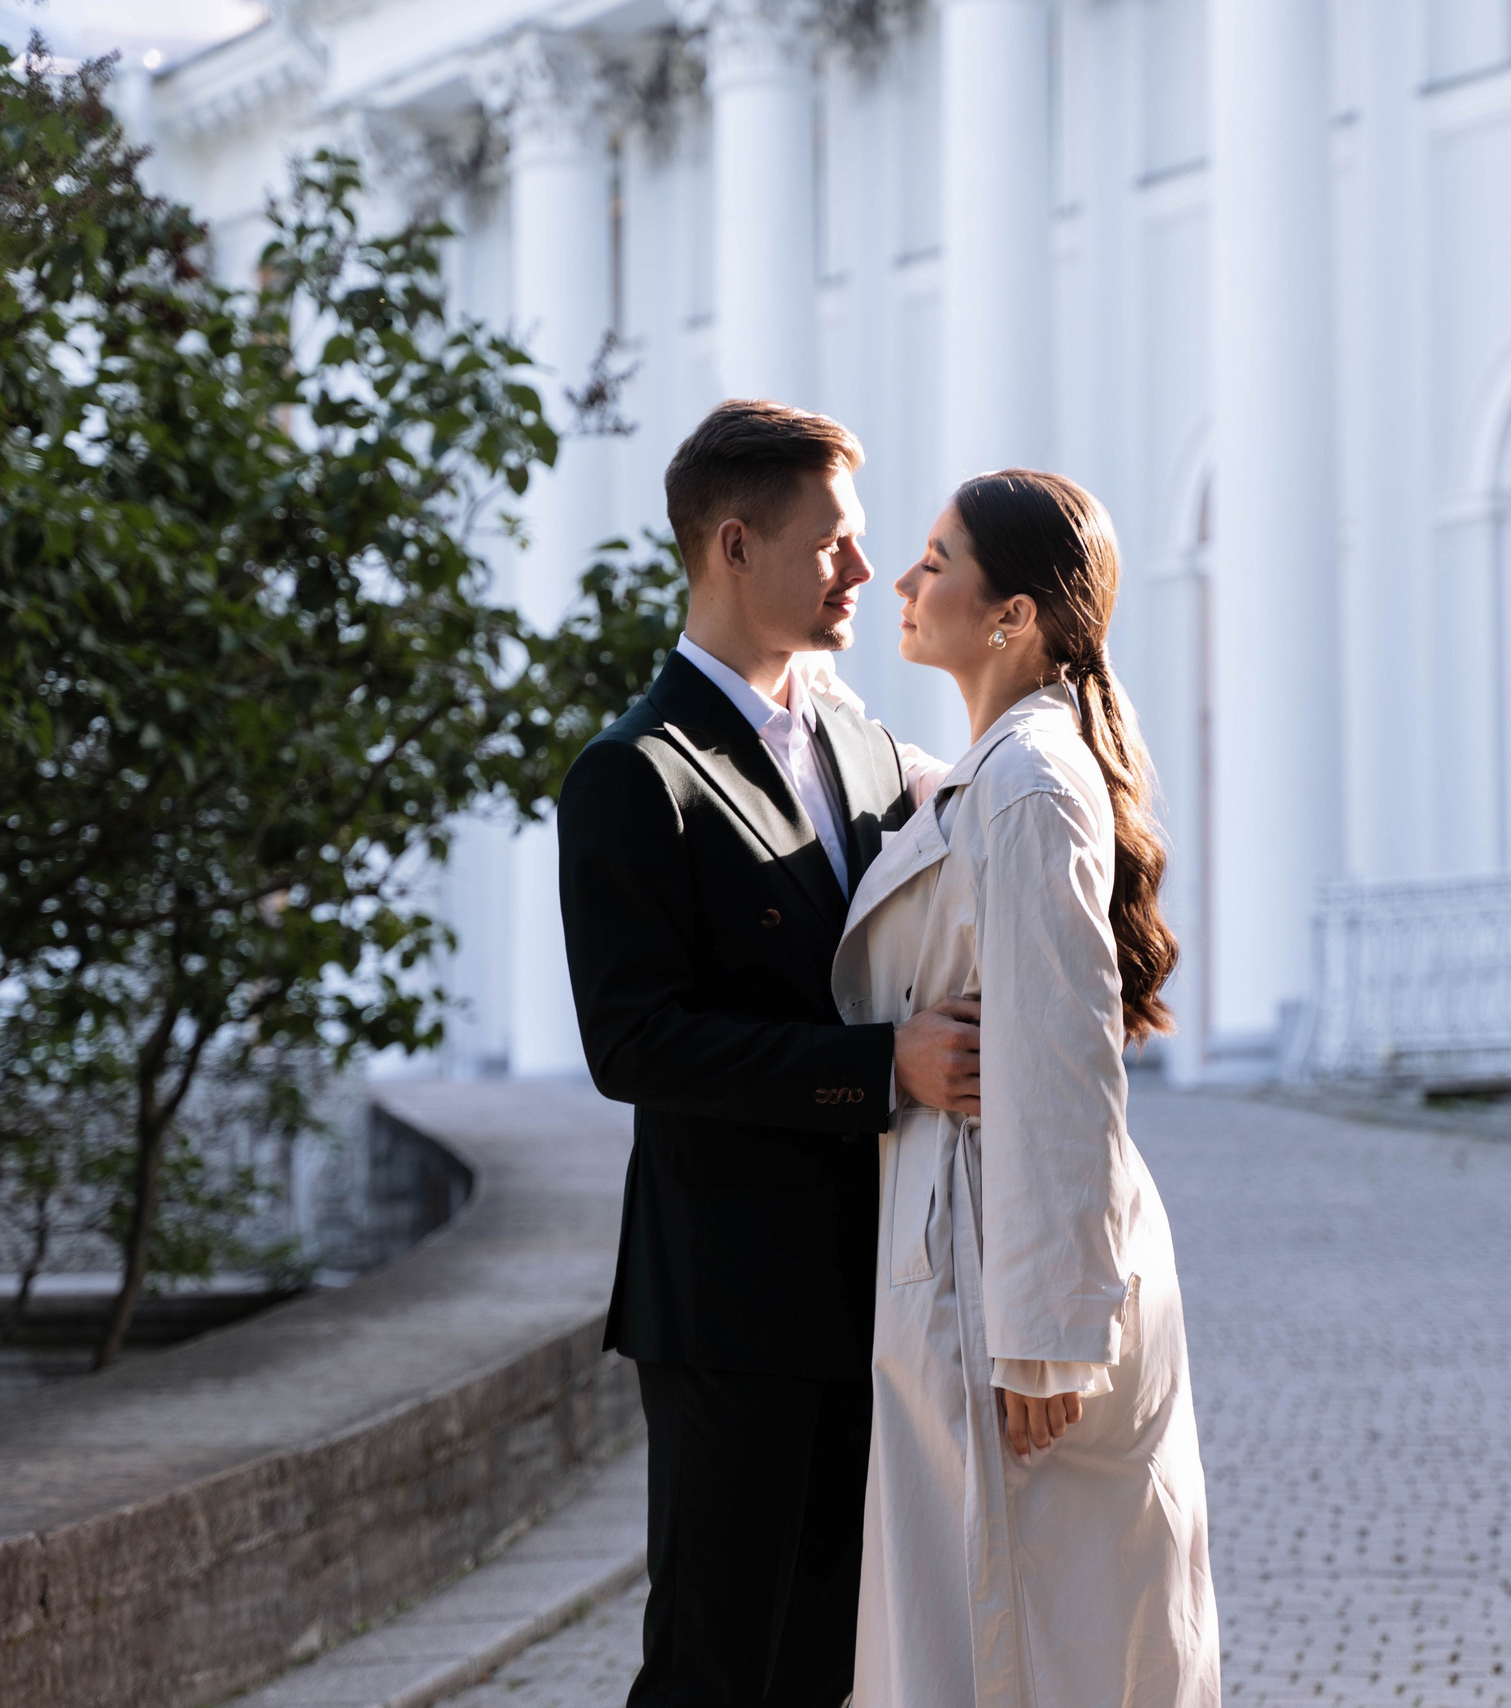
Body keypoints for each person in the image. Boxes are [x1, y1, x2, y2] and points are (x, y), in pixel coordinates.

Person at [557, 400, 978, 1707]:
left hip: (877, 1285)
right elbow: (635, 1043)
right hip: (727, 1301)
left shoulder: (859, 741)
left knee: (835, 1660)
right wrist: (876, 1071)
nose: (866, 571)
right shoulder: (634, 774)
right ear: (734, 546)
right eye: (836, 544)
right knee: (712, 1663)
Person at [833, 470, 1221, 1705]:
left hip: (1008, 1277)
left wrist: (1049, 1336)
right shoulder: (994, 768)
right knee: (1014, 1633)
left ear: (1014, 617)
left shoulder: (1029, 783)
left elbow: (1061, 1056)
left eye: (936, 560)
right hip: (973, 1248)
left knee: (1024, 1641)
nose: (904, 580)